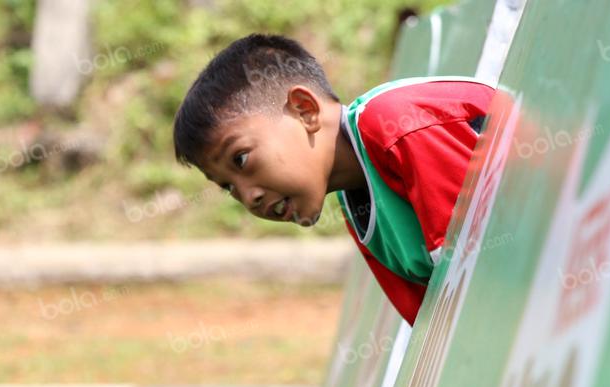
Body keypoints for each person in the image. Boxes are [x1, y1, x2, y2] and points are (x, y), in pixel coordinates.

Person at [172, 33, 494, 324]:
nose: (248, 197)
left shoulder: (397, 125)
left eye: (240, 159)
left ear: (305, 110)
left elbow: (483, 277)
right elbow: (433, 327)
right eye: (228, 187)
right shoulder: (356, 202)